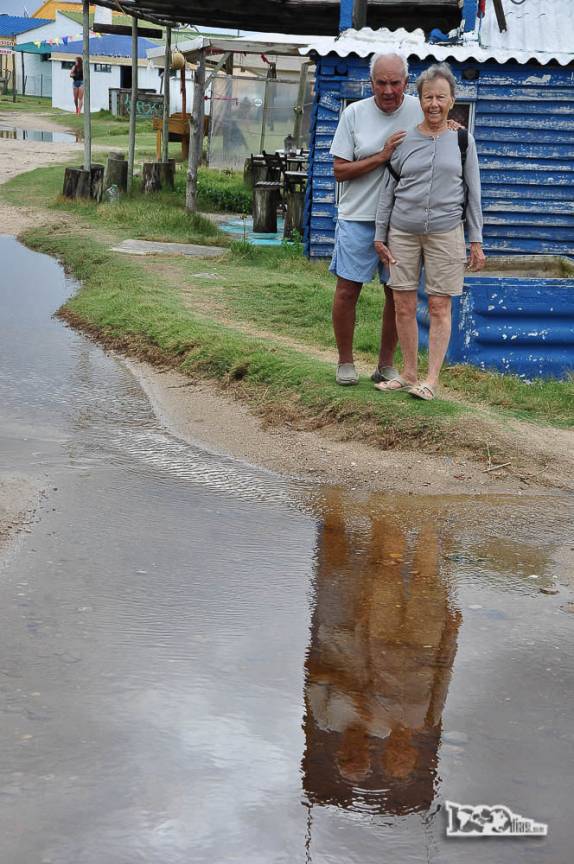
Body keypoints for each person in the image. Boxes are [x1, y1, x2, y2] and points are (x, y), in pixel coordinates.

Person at [374, 63, 486, 400]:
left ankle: (431, 380)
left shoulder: (463, 141)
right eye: (427, 97)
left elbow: (473, 192)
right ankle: (408, 373)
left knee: (440, 306)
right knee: (403, 304)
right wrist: (380, 235)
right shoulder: (405, 141)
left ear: (452, 100)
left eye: (440, 97)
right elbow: (387, 191)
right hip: (402, 234)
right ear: (419, 99)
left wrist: (476, 240)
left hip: (446, 233)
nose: (433, 104)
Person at [329, 52, 423, 386]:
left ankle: (385, 365)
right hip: (358, 216)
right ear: (370, 83)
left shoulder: (419, 109)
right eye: (380, 83)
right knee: (346, 291)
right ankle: (345, 362)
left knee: (396, 294)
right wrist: (381, 156)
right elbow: (339, 171)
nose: (387, 90)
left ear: (406, 82)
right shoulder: (353, 114)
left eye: (394, 83)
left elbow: (442, 137)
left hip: (402, 222)